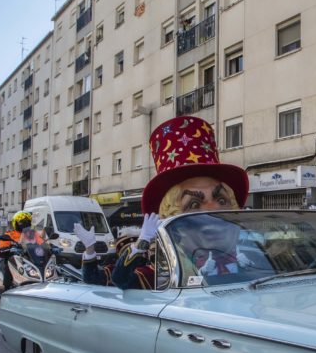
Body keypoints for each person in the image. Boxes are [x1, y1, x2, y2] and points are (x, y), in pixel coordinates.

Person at [77, 115, 249, 290]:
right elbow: (118, 279)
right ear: (171, 217)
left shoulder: (254, 264)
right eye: (194, 204)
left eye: (221, 200)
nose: (213, 211)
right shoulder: (162, 274)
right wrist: (139, 243)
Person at [0, 211, 41, 292]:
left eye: (27, 221)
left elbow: (42, 242)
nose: (24, 224)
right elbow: (2, 247)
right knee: (9, 264)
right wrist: (7, 249)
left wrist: (51, 247)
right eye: (21, 222)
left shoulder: (33, 234)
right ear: (15, 223)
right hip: (15, 259)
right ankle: (5, 290)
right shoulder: (9, 234)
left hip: (31, 259)